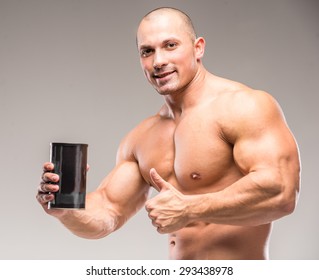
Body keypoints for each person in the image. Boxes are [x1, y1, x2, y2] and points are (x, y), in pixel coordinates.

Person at [37, 7, 301, 260]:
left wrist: (189, 208)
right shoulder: (141, 138)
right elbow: (108, 213)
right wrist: (66, 211)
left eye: (170, 45)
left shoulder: (244, 106)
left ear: (198, 48)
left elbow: (281, 193)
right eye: (147, 51)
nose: (158, 61)